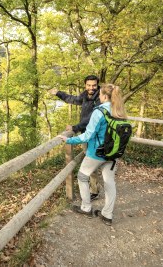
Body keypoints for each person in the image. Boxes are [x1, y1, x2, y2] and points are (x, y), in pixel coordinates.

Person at [58, 84, 127, 226]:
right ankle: (107, 215)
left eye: (100, 94)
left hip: (96, 152)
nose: (99, 97)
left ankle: (86, 208)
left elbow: (87, 136)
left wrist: (69, 140)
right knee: (109, 182)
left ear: (105, 96)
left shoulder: (99, 111)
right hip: (113, 154)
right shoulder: (119, 110)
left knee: (82, 177)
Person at [48, 74, 101, 200]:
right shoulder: (85, 95)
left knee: (91, 161)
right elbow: (72, 99)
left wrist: (75, 127)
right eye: (89, 85)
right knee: (89, 159)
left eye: (94, 85)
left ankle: (94, 191)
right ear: (85, 85)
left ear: (97, 85)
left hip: (94, 135)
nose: (91, 87)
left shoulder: (99, 98)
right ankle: (94, 188)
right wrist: (58, 93)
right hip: (85, 133)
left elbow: (92, 118)